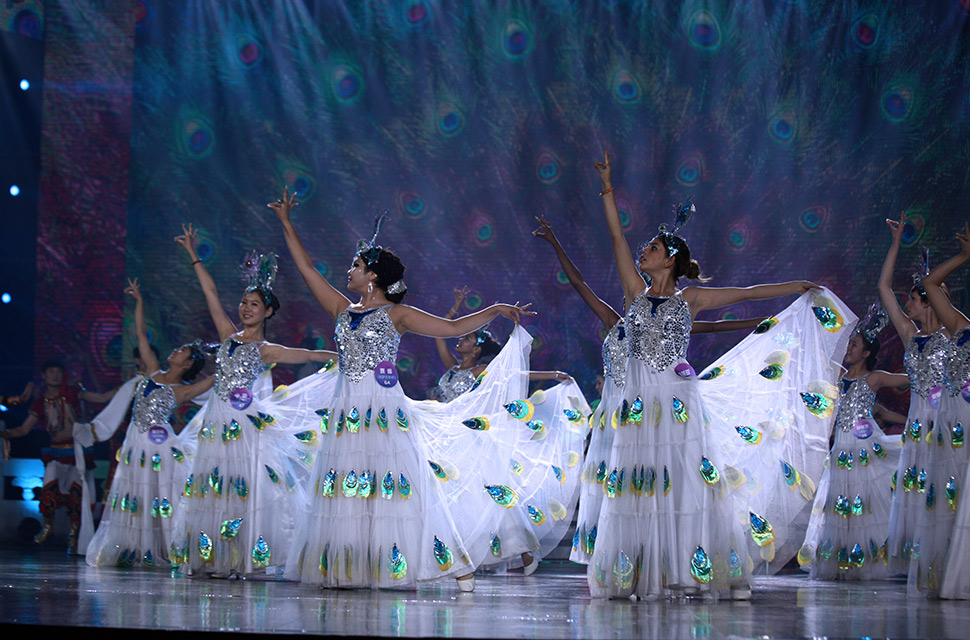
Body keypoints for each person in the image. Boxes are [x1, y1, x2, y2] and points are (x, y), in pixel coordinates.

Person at [589, 149, 831, 599]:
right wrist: (607, 186)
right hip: (639, 407)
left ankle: (691, 569)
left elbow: (747, 293)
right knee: (640, 485)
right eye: (646, 246)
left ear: (670, 261)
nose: (644, 250)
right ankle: (644, 572)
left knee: (684, 486)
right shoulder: (633, 292)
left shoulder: (691, 299)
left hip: (676, 404)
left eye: (653, 248)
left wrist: (795, 286)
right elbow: (617, 237)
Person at [270, 188, 535, 591]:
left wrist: (495, 309)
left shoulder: (398, 314)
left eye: (356, 265)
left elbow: (452, 328)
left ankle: (456, 566)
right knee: (350, 487)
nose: (349, 270)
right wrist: (287, 223)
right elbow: (307, 270)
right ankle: (354, 567)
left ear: (373, 276)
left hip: (383, 411)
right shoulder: (342, 310)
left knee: (400, 486)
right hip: (346, 413)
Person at [530, 214, 763, 565]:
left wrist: (758, 323)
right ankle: (626, 555)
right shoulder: (614, 322)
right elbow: (578, 282)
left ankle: (667, 553)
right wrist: (555, 244)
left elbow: (711, 326)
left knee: (661, 480)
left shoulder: (667, 318)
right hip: (618, 411)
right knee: (622, 487)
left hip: (653, 407)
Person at [170, 224, 338, 578]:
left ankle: (243, 558)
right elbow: (210, 292)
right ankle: (215, 557)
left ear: (268, 312)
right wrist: (193, 254)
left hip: (245, 427)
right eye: (244, 303)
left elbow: (309, 354)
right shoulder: (227, 336)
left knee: (242, 487)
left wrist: (342, 357)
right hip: (217, 424)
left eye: (255, 304)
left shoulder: (266, 350)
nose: (246, 308)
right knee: (215, 486)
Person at [85, 278, 214, 568]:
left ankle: (169, 549)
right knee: (134, 494)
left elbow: (215, 379)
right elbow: (141, 335)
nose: (176, 350)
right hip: (135, 442)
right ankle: (131, 548)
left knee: (161, 496)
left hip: (160, 448)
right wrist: (139, 301)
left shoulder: (182, 391)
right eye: (177, 348)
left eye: (182, 351)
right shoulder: (152, 372)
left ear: (188, 363)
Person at [798, 307, 908, 580]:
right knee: (840, 504)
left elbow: (911, 378)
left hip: (864, 449)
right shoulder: (838, 376)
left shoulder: (874, 378)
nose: (848, 348)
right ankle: (842, 562)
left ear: (866, 353)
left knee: (862, 504)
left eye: (854, 345)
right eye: (849, 343)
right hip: (840, 450)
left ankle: (863, 563)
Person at [880, 214, 950, 592]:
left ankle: (948, 562)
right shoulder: (910, 335)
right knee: (919, 490)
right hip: (918, 424)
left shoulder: (953, 336)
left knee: (944, 489)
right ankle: (925, 564)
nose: (906, 302)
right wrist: (895, 245)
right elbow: (884, 288)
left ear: (928, 302)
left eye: (912, 298)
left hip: (946, 422)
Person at [1, 361, 116, 552]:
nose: (55, 375)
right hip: (56, 452)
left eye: (58, 372)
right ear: (44, 376)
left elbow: (102, 397)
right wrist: (5, 433)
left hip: (77, 451)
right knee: (48, 488)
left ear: (63, 375)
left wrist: (125, 387)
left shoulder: (73, 393)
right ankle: (48, 527)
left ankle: (74, 535)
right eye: (51, 372)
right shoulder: (40, 402)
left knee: (77, 496)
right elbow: (23, 429)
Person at [920, 221, 970, 600]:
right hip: (952, 426)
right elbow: (930, 284)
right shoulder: (961, 326)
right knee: (953, 502)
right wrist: (965, 256)